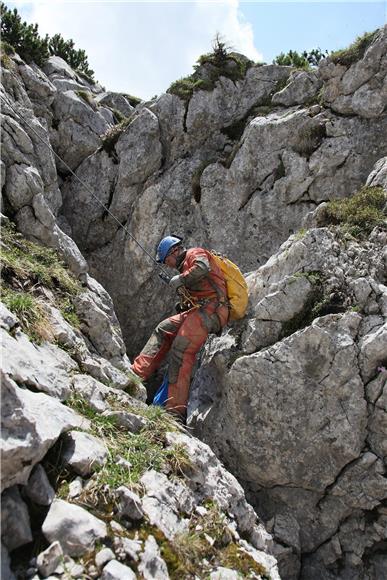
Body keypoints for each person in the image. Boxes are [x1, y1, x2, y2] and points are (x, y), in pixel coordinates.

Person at [131, 235, 230, 421]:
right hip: (199, 310)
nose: (167, 265)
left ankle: (174, 410)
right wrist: (182, 303)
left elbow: (202, 268)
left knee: (181, 349)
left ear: (174, 252)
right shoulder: (184, 265)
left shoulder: (195, 253)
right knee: (164, 329)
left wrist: (181, 279)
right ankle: (136, 374)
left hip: (213, 309)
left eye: (166, 260)